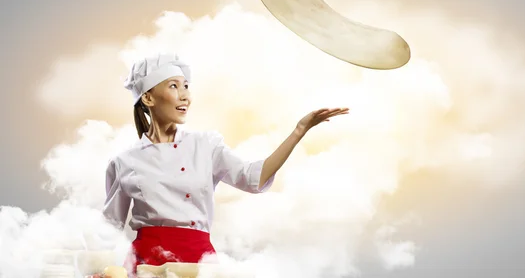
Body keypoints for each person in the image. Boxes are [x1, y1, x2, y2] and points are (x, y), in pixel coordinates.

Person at [102, 53, 348, 276]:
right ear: (148, 97)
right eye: (174, 86)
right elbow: (109, 229)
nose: (185, 95)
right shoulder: (125, 162)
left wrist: (299, 130)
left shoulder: (206, 146)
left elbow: (254, 178)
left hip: (199, 264)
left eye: (186, 86)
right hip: (147, 266)